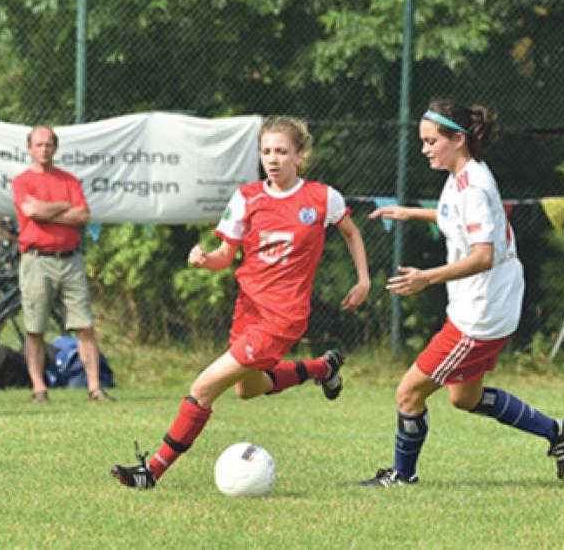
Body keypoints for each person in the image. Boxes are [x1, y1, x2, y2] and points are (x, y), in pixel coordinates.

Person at [111, 115, 371, 490]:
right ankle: (322, 368)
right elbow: (224, 255)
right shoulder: (247, 197)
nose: (273, 159)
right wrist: (204, 258)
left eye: (282, 151)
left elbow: (351, 233)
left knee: (203, 388)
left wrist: (363, 281)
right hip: (247, 311)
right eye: (266, 151)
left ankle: (151, 471)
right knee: (247, 389)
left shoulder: (322, 198)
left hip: (281, 318)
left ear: (300, 156)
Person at [360, 99, 564, 487]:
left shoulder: (474, 186)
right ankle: (557, 432)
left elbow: (483, 256)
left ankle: (402, 475)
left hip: (480, 313)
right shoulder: (461, 176)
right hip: (480, 303)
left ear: (458, 139)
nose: (424, 149)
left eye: (431, 141)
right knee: (464, 397)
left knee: (409, 392)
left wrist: (426, 278)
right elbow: (454, 215)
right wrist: (410, 212)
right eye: (423, 141)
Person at [12, 125, 112, 403]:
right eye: (38, 144)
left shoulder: (69, 180)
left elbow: (82, 215)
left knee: (85, 326)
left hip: (70, 260)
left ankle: (94, 388)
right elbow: (30, 211)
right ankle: (39, 389)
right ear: (30, 148)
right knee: (35, 328)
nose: (44, 150)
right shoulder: (22, 181)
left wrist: (46, 209)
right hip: (37, 260)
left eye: (48, 144)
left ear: (55, 148)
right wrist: (62, 206)